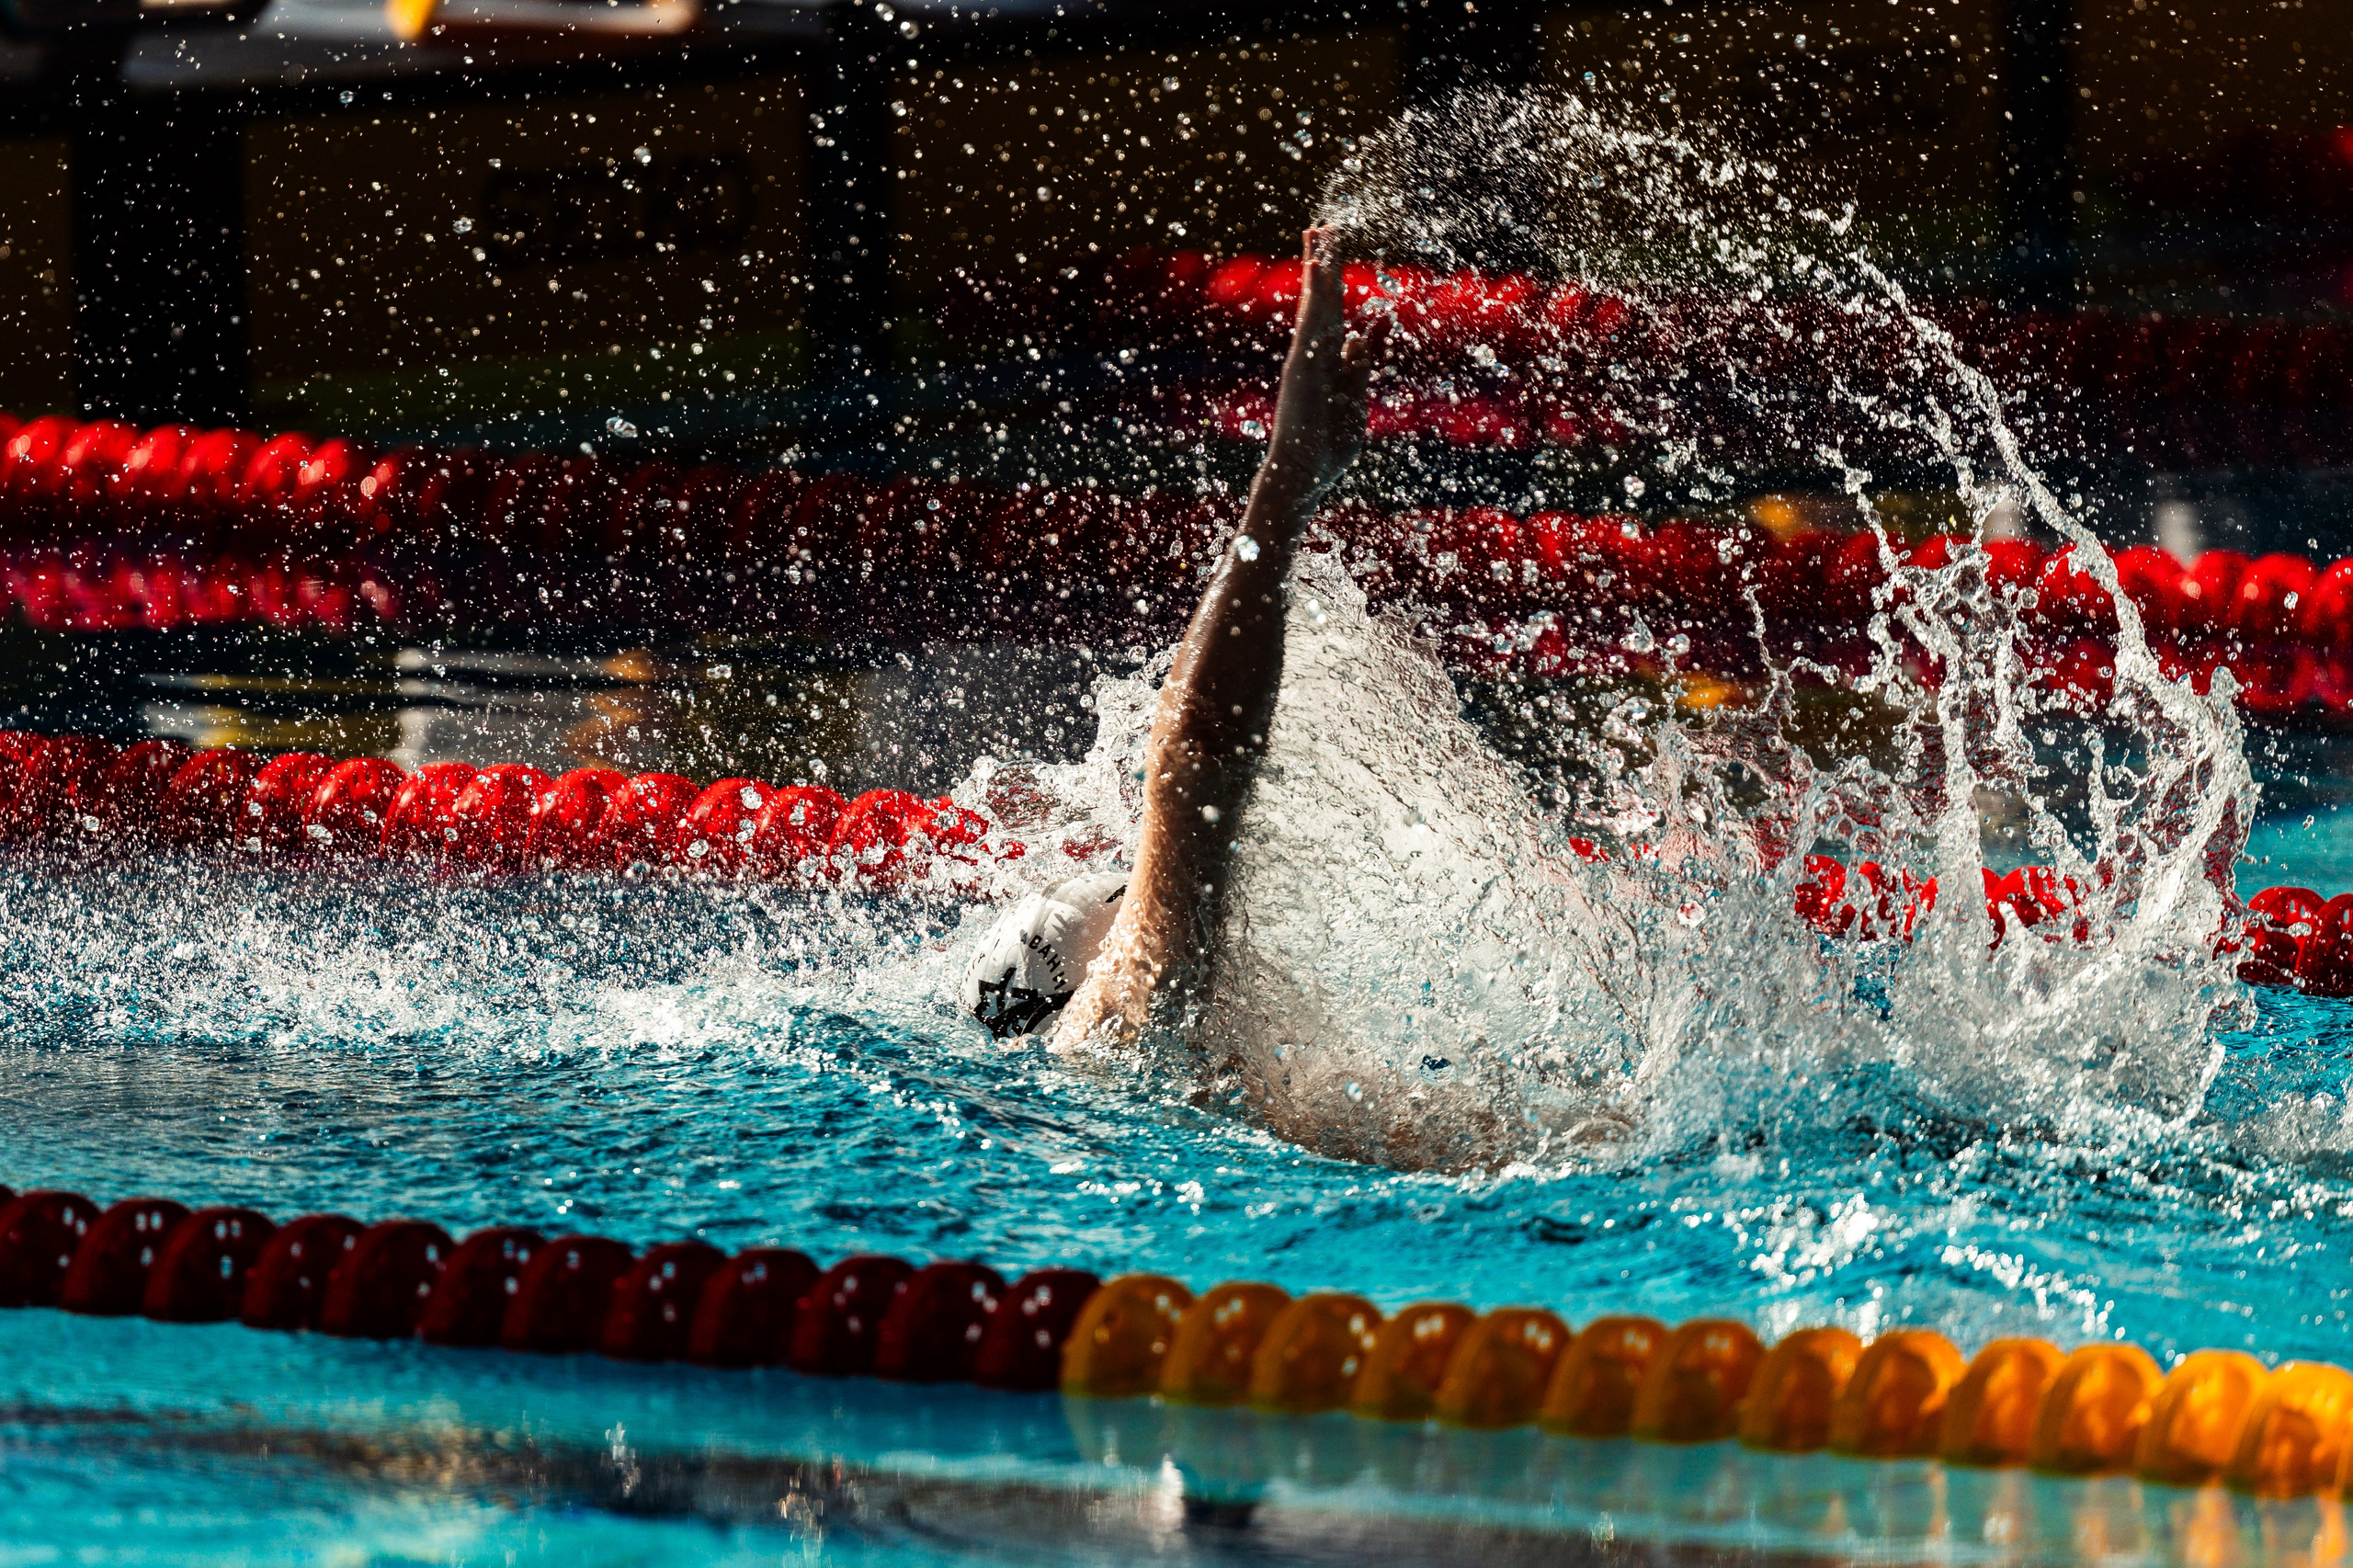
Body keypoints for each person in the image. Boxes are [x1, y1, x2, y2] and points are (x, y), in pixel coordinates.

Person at [961, 229, 1389, 1050]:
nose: (1189, 898)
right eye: (1143, 896)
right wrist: (1284, 483)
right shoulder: (1110, 1029)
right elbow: (1196, 759)